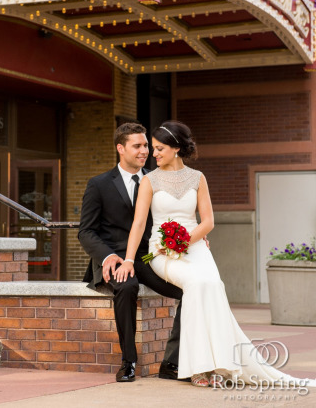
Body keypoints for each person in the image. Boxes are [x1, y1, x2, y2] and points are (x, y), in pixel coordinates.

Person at [116, 120, 316, 389]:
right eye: (153, 148)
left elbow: (208, 221)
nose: (154, 153)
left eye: (159, 148)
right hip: (161, 251)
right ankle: (197, 368)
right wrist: (130, 260)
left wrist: (184, 242)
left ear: (176, 148)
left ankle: (220, 363)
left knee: (213, 285)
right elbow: (139, 223)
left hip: (195, 245)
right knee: (196, 284)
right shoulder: (150, 180)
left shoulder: (198, 178)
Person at [78, 122, 183, 383]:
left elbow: (171, 217)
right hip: (114, 257)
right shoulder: (99, 184)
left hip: (146, 257)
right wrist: (107, 256)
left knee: (187, 290)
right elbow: (86, 231)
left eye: (146, 145)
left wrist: (191, 237)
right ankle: (128, 362)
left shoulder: (157, 180)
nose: (144, 151)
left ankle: (171, 362)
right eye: (137, 146)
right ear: (120, 148)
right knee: (126, 287)